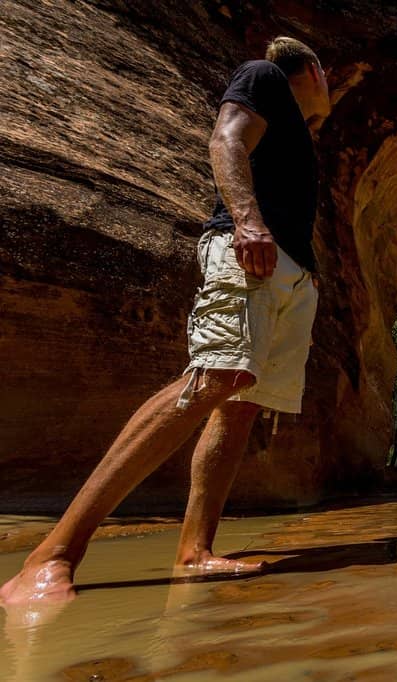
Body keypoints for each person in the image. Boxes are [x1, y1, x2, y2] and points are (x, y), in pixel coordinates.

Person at [0, 36, 331, 606]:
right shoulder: (264, 75)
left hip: (293, 273)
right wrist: (247, 221)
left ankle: (195, 551)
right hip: (253, 249)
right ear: (316, 71)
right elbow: (226, 139)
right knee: (215, 376)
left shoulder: (298, 131)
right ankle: (53, 554)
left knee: (240, 403)